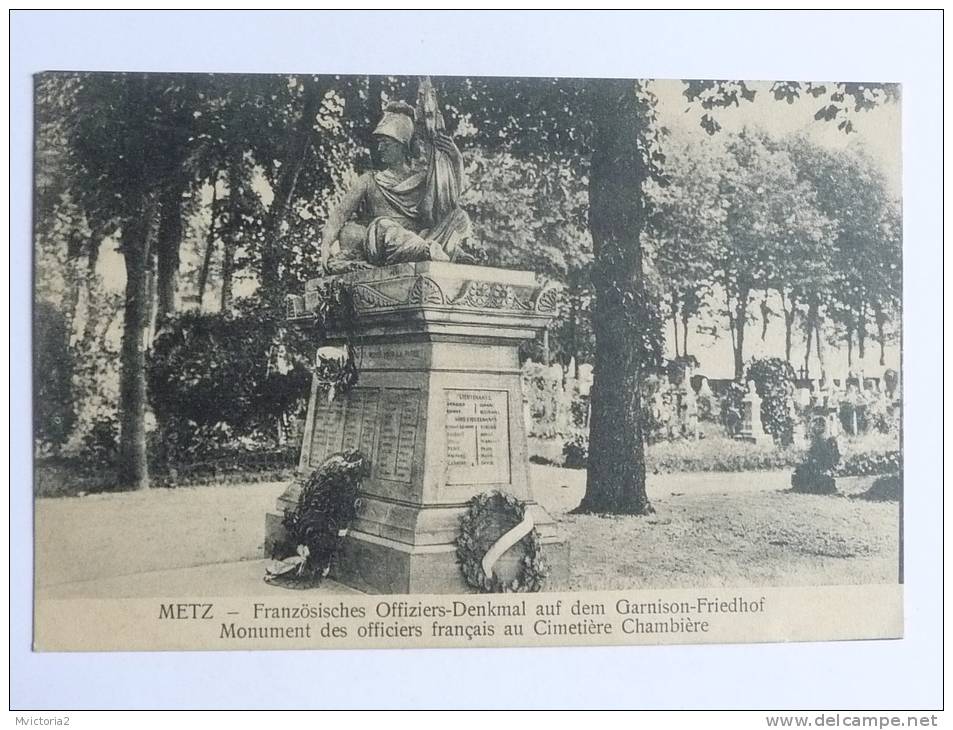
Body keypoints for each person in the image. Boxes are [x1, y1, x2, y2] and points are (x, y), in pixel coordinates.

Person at [319, 98, 473, 272]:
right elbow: (339, 215)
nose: (380, 149)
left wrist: (456, 159)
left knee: (460, 216)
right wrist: (325, 244)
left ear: (402, 146)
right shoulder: (369, 180)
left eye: (386, 143)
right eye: (379, 144)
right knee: (382, 225)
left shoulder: (422, 179)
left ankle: (440, 250)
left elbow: (450, 199)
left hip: (422, 237)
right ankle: (428, 250)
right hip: (386, 245)